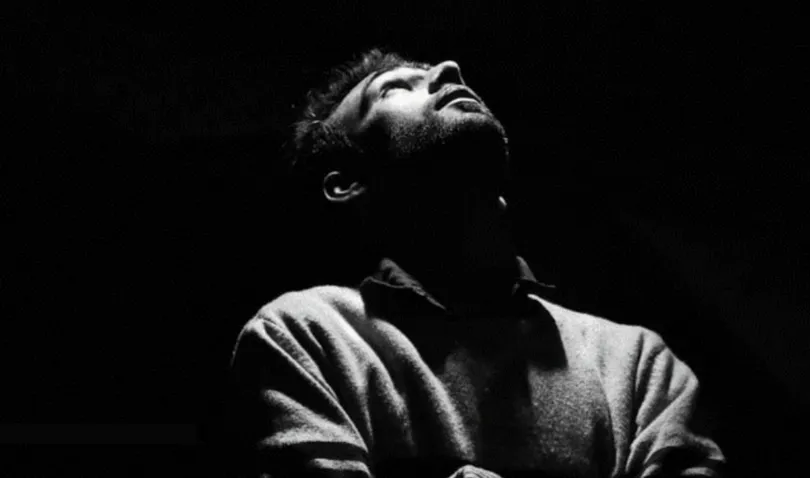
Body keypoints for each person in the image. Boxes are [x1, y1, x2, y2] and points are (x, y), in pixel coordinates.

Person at [227, 48, 726, 478]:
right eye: (394, 88)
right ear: (346, 184)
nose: (450, 68)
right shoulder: (308, 337)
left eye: (437, 72)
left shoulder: (637, 364)